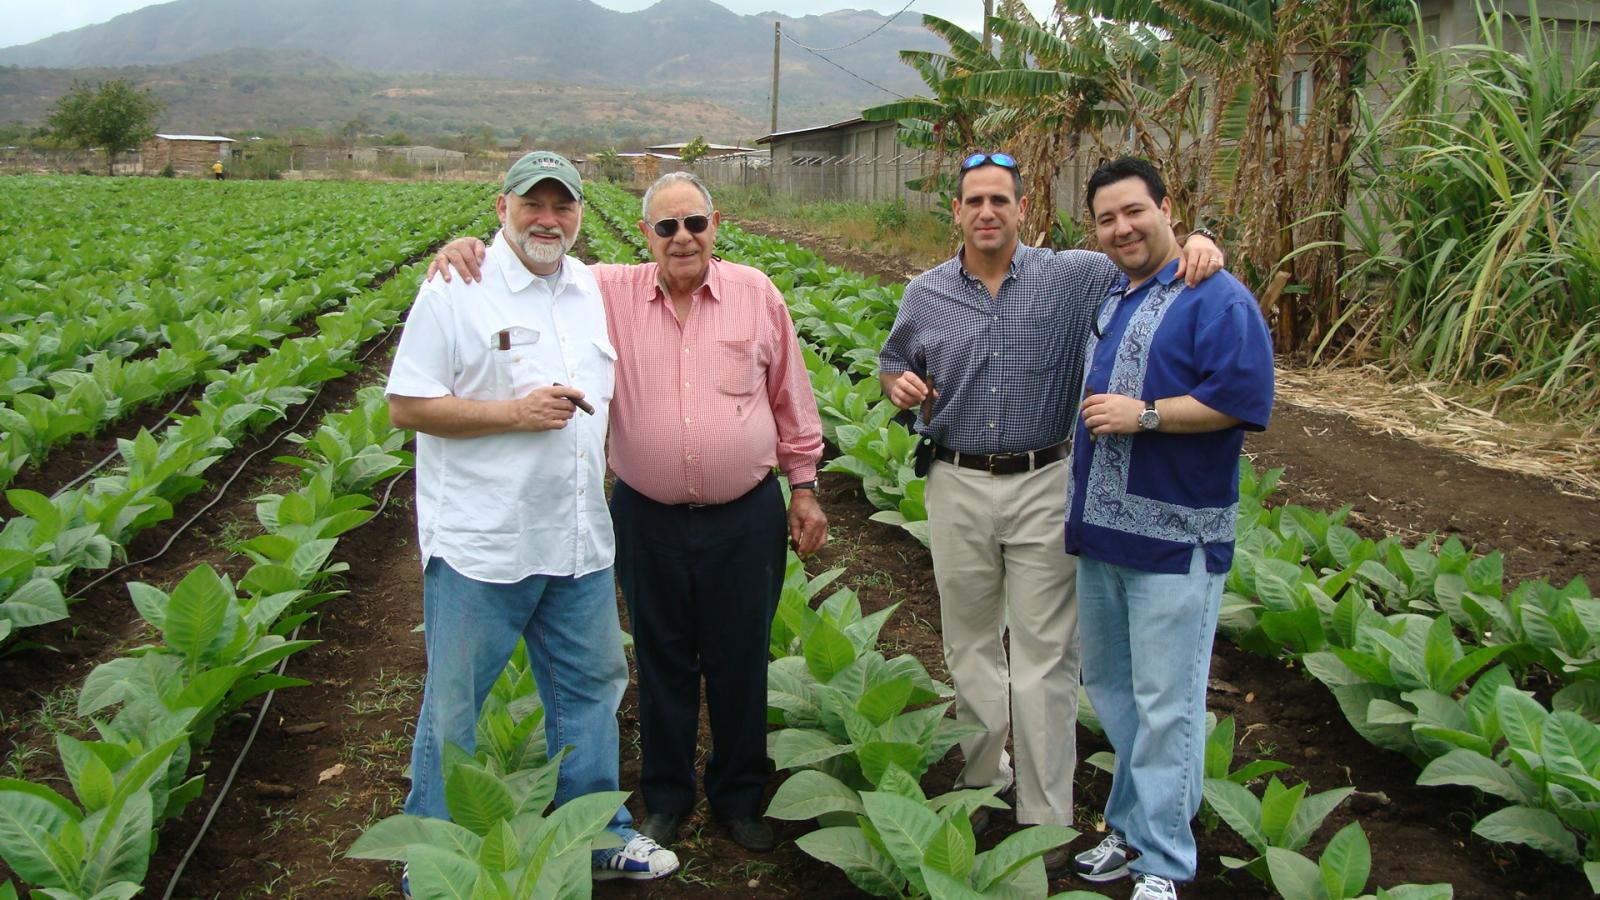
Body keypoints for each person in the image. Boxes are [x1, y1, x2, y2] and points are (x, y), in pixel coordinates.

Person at [431, 171, 828, 854]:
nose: (682, 238)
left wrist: (805, 486)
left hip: (746, 515)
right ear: (643, 234)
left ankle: (738, 795)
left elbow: (790, 393)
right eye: (666, 227)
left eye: (694, 223)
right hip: (647, 514)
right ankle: (666, 797)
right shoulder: (603, 291)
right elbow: (536, 250)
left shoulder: (756, 294)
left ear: (716, 225)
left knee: (741, 661)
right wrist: (469, 248)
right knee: (660, 657)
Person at [877, 152, 1222, 869]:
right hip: (956, 480)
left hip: (1044, 476)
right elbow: (892, 360)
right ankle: (982, 778)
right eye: (974, 200)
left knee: (1044, 656)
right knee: (968, 645)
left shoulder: (1073, 275)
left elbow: (1144, 261)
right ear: (957, 212)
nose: (987, 213)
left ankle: (1044, 814)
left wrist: (1198, 244)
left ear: (1022, 207)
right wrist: (898, 385)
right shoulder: (925, 292)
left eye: (1000, 199)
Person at [386, 151, 678, 887]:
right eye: (533, 204)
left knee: (590, 692)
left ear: (581, 214)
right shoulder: (457, 287)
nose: (548, 219)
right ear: (501, 208)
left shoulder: (589, 286)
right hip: (484, 544)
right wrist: (514, 415)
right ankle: (434, 858)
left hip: (577, 538)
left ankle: (597, 835)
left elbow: (681, 268)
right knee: (454, 710)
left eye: (563, 206)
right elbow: (407, 405)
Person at [1066, 157, 1273, 900]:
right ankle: (1130, 830)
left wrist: (1144, 415)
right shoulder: (1115, 295)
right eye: (1106, 218)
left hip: (1175, 542)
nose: (1121, 228)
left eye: (1134, 212)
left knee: (1168, 703)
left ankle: (1164, 862)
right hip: (1104, 538)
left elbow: (1244, 397)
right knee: (1118, 694)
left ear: (1166, 208)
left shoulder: (1214, 295)